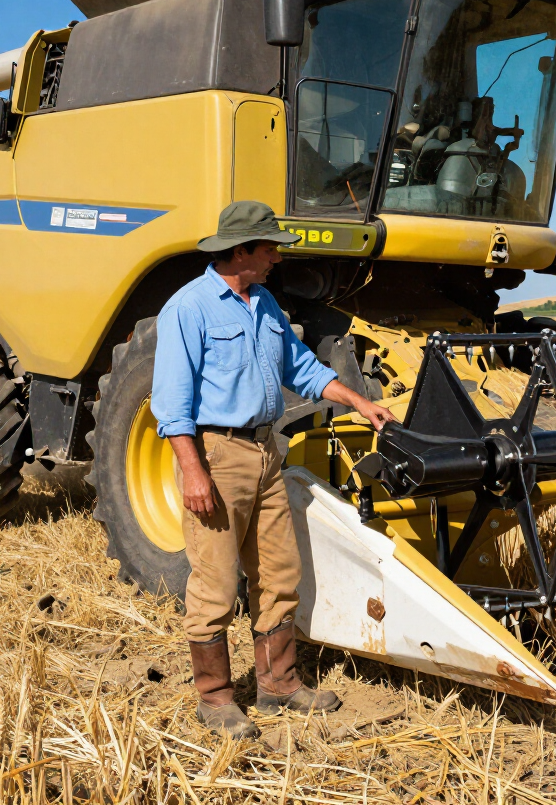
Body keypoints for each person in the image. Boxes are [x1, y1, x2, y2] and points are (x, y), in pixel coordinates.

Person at [152, 200, 397, 738]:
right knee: (216, 581)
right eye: (269, 249)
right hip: (216, 456)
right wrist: (193, 473)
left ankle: (279, 684)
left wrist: (358, 401)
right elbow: (171, 405)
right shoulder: (188, 309)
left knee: (280, 573)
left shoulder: (262, 303)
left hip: (265, 454)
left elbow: (302, 370)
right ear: (240, 250)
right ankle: (215, 698)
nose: (276, 258)